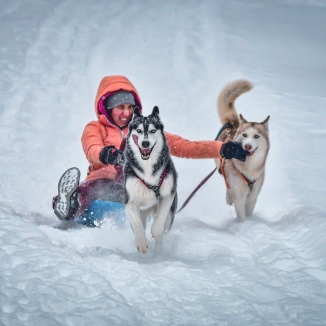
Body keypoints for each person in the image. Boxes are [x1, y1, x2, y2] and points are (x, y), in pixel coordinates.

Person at [52, 75, 248, 224]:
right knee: (91, 190)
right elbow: (91, 148)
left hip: (130, 185)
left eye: (130, 107)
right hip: (102, 182)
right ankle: (71, 203)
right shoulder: (95, 128)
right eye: (120, 107)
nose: (126, 112)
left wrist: (222, 149)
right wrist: (106, 154)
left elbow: (185, 146)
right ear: (107, 107)